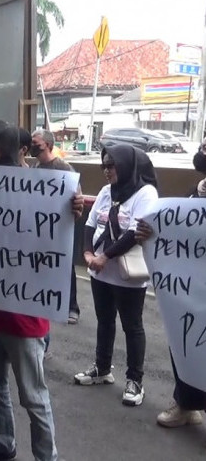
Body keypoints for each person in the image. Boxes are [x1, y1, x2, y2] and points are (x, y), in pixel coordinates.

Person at [0, 120, 81, 461]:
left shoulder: (49, 190)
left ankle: (45, 456)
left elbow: (62, 247)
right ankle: (3, 445)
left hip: (25, 319)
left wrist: (72, 214)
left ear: (14, 155)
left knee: (33, 398)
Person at [74, 144, 158, 408]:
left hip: (126, 274)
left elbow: (135, 233)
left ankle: (135, 380)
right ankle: (102, 368)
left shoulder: (145, 193)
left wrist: (104, 257)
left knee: (132, 326)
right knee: (104, 321)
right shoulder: (106, 191)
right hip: (100, 271)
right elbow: (90, 222)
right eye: (104, 166)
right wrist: (88, 253)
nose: (106, 171)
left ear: (126, 165)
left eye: (111, 166)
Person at [134, 139, 206, 427]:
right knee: (186, 342)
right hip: (192, 290)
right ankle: (187, 405)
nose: (203, 151)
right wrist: (149, 234)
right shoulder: (197, 191)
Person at [31, 130, 81, 324]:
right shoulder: (35, 168)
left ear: (49, 145)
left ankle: (71, 307)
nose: (34, 147)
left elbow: (76, 194)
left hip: (61, 225)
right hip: (41, 226)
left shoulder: (64, 167)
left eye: (37, 144)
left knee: (66, 265)